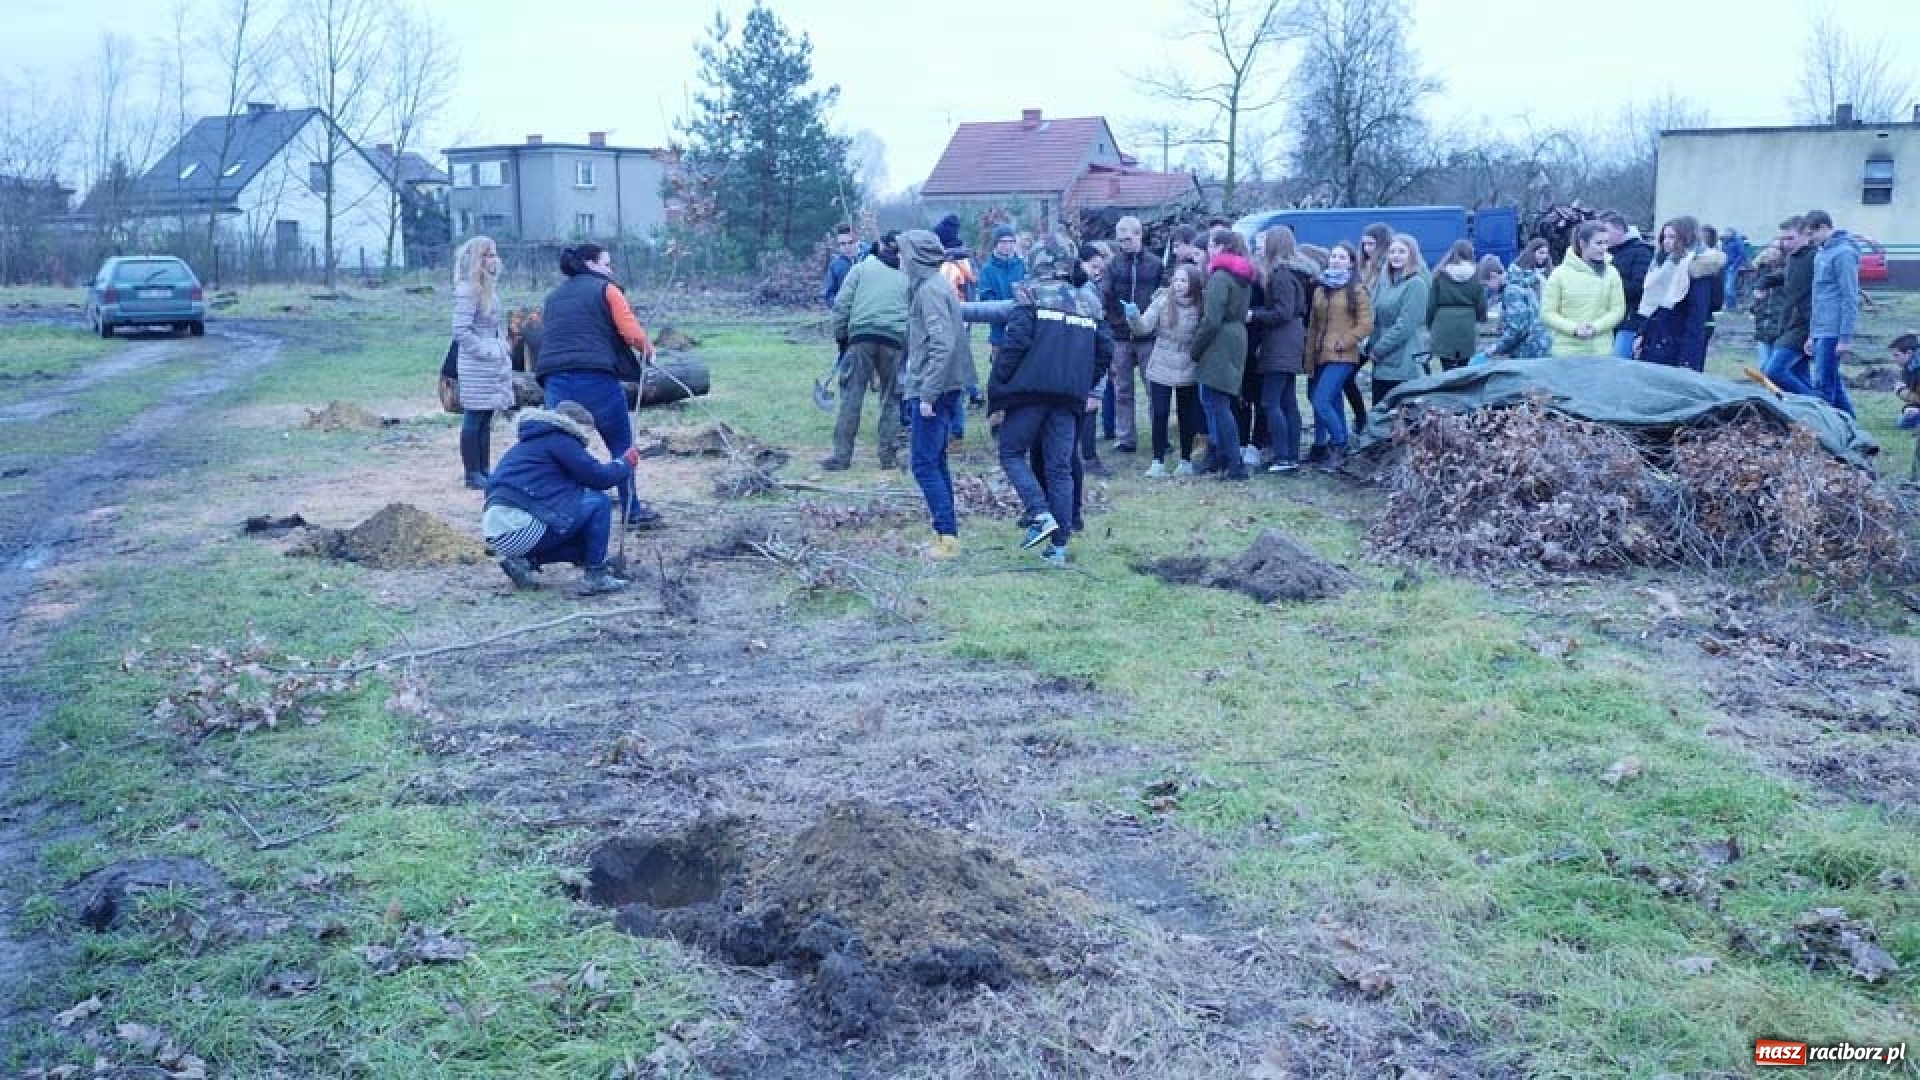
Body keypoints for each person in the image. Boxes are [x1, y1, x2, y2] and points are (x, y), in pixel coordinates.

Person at [990, 234, 1108, 566]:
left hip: (1030, 393)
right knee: (1060, 468)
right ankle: (1058, 548)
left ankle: (1039, 514)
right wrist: (1085, 383)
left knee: (1011, 452)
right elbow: (1105, 351)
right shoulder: (1089, 301)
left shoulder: (1028, 295)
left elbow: (1014, 347)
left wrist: (999, 387)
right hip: (1069, 397)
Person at [536, 243, 659, 525]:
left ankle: (562, 512)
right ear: (591, 265)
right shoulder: (607, 290)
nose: (610, 270)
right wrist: (648, 351)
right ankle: (631, 510)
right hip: (596, 378)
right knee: (620, 444)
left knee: (561, 447)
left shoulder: (553, 297)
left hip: (555, 379)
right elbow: (630, 330)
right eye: (607, 264)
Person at [483, 401, 642, 596]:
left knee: (587, 544)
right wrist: (624, 463)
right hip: (521, 526)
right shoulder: (561, 440)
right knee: (599, 503)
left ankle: (522, 562)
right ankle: (596, 576)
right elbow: (599, 478)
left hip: (500, 531)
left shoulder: (528, 444)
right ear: (575, 426)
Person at [900, 228, 977, 558]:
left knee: (923, 465)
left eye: (903, 254)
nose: (899, 259)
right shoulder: (932, 286)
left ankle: (947, 538)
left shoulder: (930, 290)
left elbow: (942, 345)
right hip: (943, 385)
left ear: (916, 257)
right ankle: (944, 533)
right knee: (936, 462)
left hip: (935, 388)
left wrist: (927, 394)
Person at [824, 231, 909, 471]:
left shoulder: (862, 268)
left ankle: (841, 457)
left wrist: (841, 338)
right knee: (891, 399)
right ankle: (887, 458)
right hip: (894, 340)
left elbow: (841, 305)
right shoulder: (908, 275)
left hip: (861, 338)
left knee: (852, 396)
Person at [1127, 261, 1205, 476]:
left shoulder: (1202, 304)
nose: (1178, 284)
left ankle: (1185, 460)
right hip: (1162, 362)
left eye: (1184, 281)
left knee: (1185, 414)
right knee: (1160, 412)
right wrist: (1133, 316)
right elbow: (1144, 328)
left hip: (1189, 365)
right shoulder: (1162, 301)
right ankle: (1157, 461)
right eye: (1176, 280)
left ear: (1193, 284)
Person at [1191, 227, 1256, 481]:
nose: (1208, 249)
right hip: (1236, 336)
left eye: (1210, 244)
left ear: (1219, 247)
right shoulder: (1242, 275)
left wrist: (1196, 348)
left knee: (1218, 404)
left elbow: (1212, 320)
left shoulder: (1220, 277)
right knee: (1216, 401)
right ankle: (1220, 456)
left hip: (1220, 341)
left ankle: (1234, 464)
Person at [451, 236, 513, 490]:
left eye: (494, 254)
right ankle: (472, 473)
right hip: (477, 363)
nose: (493, 260)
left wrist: (502, 348)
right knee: (474, 417)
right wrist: (489, 350)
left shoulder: (488, 290)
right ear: (477, 260)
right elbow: (461, 331)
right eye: (487, 255)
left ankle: (484, 469)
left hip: (490, 362)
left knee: (486, 416)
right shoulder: (468, 292)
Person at [1304, 243, 1373, 471]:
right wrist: (1309, 355)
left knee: (1321, 400)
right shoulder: (1321, 288)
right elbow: (1313, 325)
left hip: (1343, 355)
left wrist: (1344, 341)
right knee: (1332, 401)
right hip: (1321, 353)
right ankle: (1338, 451)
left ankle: (1340, 444)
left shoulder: (1357, 290)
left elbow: (1366, 324)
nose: (1336, 260)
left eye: (1342, 257)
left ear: (1351, 262)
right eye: (1333, 256)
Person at [1250, 225, 1313, 471]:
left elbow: (1283, 311)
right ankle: (1290, 455)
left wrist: (1254, 315)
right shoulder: (1295, 273)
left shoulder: (1281, 275)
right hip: (1291, 340)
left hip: (1281, 342)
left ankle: (1283, 456)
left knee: (1271, 401)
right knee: (1287, 400)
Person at [1102, 215, 1163, 455]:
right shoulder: (1113, 265)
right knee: (1122, 389)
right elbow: (1104, 296)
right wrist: (1112, 323)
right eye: (1119, 239)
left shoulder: (1156, 264)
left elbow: (1161, 298)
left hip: (1148, 338)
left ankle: (1160, 436)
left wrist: (1150, 323)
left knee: (1153, 389)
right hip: (1120, 337)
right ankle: (1125, 438)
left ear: (1139, 235)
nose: (1122, 243)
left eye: (1126, 238)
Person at [1635, 216, 1724, 371]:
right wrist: (1642, 334)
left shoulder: (1699, 269)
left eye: (1672, 237)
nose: (1666, 241)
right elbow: (1653, 304)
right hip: (1657, 335)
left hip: (1678, 338)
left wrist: (1688, 360)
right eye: (1664, 237)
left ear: (1686, 237)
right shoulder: (1663, 265)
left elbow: (1697, 316)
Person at [1541, 222, 1626, 357]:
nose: (1604, 248)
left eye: (1606, 243)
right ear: (1582, 243)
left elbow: (1618, 310)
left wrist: (1595, 327)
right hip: (1566, 354)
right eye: (1598, 243)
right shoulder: (1559, 274)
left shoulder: (1612, 273)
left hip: (1601, 352)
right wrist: (1574, 329)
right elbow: (1548, 313)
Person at [1805, 209, 1860, 417]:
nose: (1809, 239)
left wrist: (1845, 337)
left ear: (1824, 227)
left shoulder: (1844, 254)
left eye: (1812, 233)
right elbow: (1818, 296)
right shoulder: (1821, 252)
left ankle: (1824, 430)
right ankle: (1850, 423)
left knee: (1823, 384)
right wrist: (1812, 334)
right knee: (1831, 381)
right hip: (1820, 329)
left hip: (1833, 329)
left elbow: (1849, 296)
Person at [1365, 233, 1431, 404]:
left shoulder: (1416, 284)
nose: (1396, 256)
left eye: (1402, 251)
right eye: (1393, 251)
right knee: (1380, 416)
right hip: (1381, 364)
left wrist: (1379, 349)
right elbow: (1374, 317)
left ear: (1412, 255)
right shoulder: (1384, 284)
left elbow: (1405, 325)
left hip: (1404, 362)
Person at [1762, 216, 1817, 397]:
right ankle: (1811, 411)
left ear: (1805, 235)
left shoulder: (1813, 257)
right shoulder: (1793, 258)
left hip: (1804, 325)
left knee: (1773, 370)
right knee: (1800, 375)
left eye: (1790, 238)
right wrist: (1763, 282)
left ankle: (1817, 403)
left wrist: (1813, 331)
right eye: (1783, 239)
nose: (1785, 243)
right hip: (1789, 324)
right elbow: (1785, 277)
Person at [1073, 243, 1114, 477]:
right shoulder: (1087, 294)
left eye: (1100, 267)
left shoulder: (1091, 290)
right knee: (1089, 404)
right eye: (1093, 266)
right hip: (1085, 356)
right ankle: (1087, 456)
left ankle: (1085, 454)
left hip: (1085, 355)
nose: (1097, 271)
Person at [1597, 210, 1654, 359]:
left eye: (1605, 231)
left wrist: (1607, 285)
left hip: (1630, 320)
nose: (1602, 237)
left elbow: (1640, 287)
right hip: (1609, 320)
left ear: (1619, 229)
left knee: (1620, 363)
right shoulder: (1607, 253)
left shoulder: (1641, 252)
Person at [1426, 239, 1485, 371]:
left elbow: (1431, 304)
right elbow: (1481, 303)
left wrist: (1429, 324)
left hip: (1443, 322)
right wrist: (1481, 319)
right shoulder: (1477, 274)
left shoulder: (1440, 274)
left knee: (1446, 368)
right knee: (1464, 367)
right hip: (1467, 323)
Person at [1481, 255, 1551, 360]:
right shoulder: (1519, 283)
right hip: (1539, 344)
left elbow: (1517, 329)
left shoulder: (1511, 292)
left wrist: (1496, 348)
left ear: (1494, 276)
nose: (1488, 289)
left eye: (1487, 284)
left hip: (1529, 350)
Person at [1893, 332, 1919, 481]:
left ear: (1909, 353)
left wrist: (1901, 392)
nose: (1894, 359)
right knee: (1904, 420)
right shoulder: (1909, 368)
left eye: (1896, 355)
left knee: (1905, 421)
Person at [823, 224, 859, 307]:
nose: (847, 247)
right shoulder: (835, 266)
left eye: (850, 242)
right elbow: (829, 293)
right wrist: (837, 306)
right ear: (838, 245)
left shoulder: (865, 261)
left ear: (856, 242)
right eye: (843, 244)